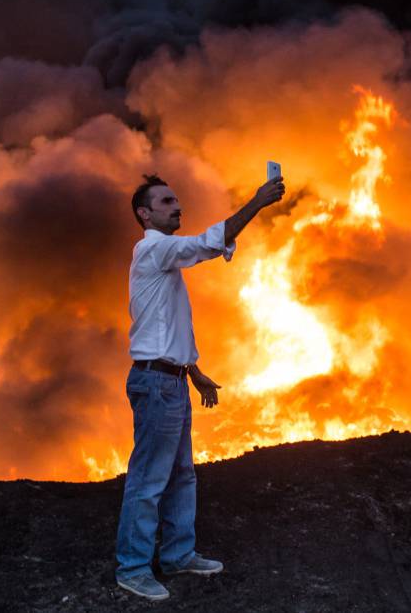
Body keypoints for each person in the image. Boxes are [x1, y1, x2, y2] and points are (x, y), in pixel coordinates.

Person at [115, 172, 286, 600]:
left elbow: (166, 325)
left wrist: (193, 371)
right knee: (149, 479)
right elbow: (209, 243)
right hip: (156, 384)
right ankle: (132, 568)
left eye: (176, 200)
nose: (177, 206)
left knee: (181, 475)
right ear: (144, 214)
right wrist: (258, 201)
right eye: (166, 201)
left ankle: (178, 555)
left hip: (171, 383)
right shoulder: (152, 249)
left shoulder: (164, 263)